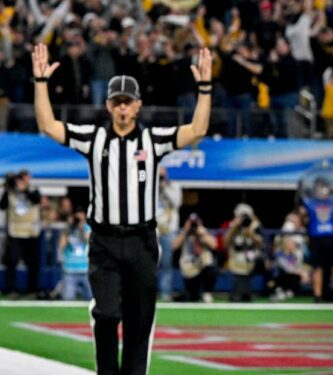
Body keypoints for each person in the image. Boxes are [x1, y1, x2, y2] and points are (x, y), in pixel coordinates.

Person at [32, 42, 212, 374]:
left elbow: (197, 130)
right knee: (107, 314)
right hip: (104, 241)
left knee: (139, 321)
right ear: (108, 106)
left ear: (139, 106)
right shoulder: (93, 138)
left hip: (142, 241)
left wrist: (204, 88)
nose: (123, 109)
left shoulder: (153, 140)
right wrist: (41, 83)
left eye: (128, 103)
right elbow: (49, 126)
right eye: (117, 103)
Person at [303, 178, 333, 302]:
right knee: (317, 268)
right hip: (316, 238)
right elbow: (302, 215)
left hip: (331, 238)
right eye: (319, 188)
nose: (322, 190)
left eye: (324, 187)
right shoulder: (310, 203)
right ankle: (317, 295)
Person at [0, 170, 42, 298]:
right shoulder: (11, 192)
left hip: (31, 233)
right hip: (15, 232)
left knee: (33, 263)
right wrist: (8, 190)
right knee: (11, 262)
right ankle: (11, 289)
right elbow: (2, 206)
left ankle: (32, 290)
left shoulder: (33, 190)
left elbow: (36, 199)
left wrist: (24, 190)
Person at [172, 213, 218, 303]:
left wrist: (202, 234)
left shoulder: (204, 232)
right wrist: (185, 231)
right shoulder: (184, 233)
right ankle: (188, 294)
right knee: (192, 297)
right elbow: (174, 246)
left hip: (202, 266)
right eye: (191, 223)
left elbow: (214, 245)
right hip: (189, 268)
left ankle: (207, 293)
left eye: (195, 223)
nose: (193, 226)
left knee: (211, 263)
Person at [223, 203, 264, 302]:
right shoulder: (233, 226)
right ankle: (242, 292)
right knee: (238, 296)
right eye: (242, 216)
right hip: (236, 259)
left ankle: (244, 292)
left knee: (254, 261)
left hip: (252, 258)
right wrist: (234, 227)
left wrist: (250, 233)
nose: (244, 219)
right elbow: (225, 243)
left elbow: (261, 244)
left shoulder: (255, 226)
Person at [156, 166, 182, 302]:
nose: (160, 178)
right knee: (149, 265)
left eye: (162, 175)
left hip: (168, 231)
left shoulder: (174, 186)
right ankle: (147, 293)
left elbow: (177, 203)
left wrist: (164, 187)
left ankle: (165, 293)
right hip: (153, 231)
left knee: (166, 264)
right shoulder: (150, 187)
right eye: (158, 175)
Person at [57, 209, 92, 301]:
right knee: (68, 299)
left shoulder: (87, 229)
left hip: (86, 270)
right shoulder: (67, 230)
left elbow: (90, 242)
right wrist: (69, 227)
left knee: (91, 299)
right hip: (70, 271)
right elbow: (61, 245)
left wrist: (82, 227)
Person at [271, 235, 309, 301]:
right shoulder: (279, 254)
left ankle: (286, 292)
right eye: (292, 243)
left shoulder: (293, 255)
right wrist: (301, 273)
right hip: (278, 277)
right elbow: (287, 268)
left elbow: (297, 266)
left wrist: (304, 272)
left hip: (290, 275)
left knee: (298, 275)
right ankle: (280, 290)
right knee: (290, 274)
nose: (294, 245)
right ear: (286, 245)